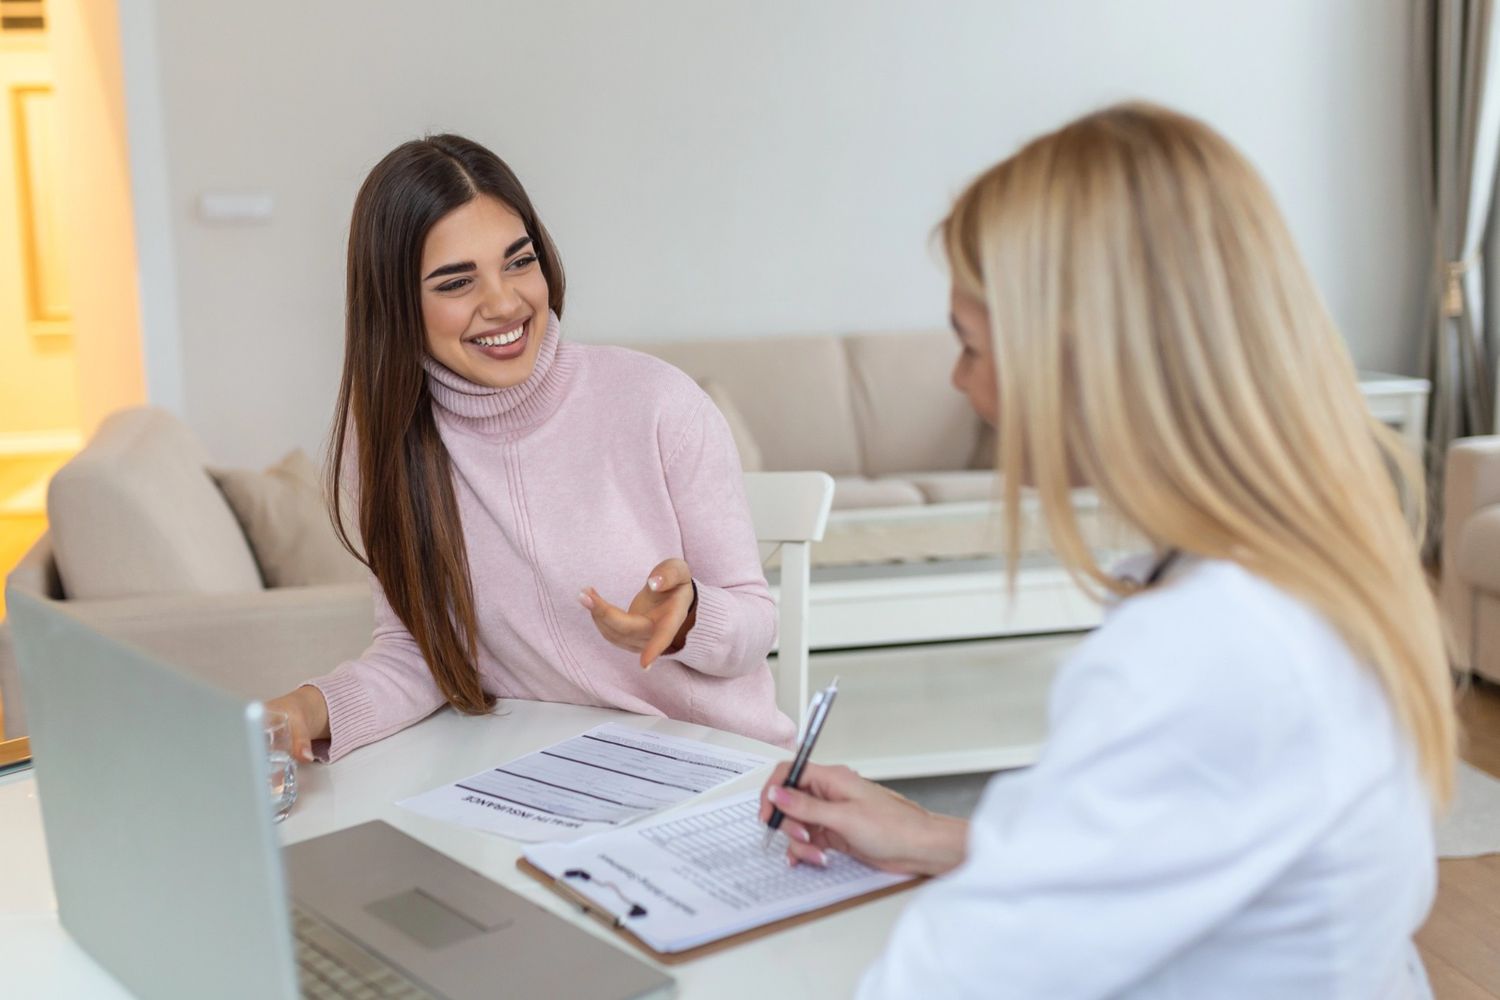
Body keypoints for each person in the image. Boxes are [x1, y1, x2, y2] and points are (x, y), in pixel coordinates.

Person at [759, 104, 1456, 998]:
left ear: (1084, 366)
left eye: (970, 346)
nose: (958, 381)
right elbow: (1188, 837)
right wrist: (936, 836)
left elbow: (952, 980)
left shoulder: (1206, 647)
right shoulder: (1308, 572)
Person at [269, 134, 795, 762]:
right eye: (456, 282)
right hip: (547, 778)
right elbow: (420, 656)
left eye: (519, 262)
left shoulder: (658, 404)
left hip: (714, 767)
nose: (503, 302)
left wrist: (689, 620)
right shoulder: (388, 446)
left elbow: (754, 626)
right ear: (397, 307)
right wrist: (310, 706)